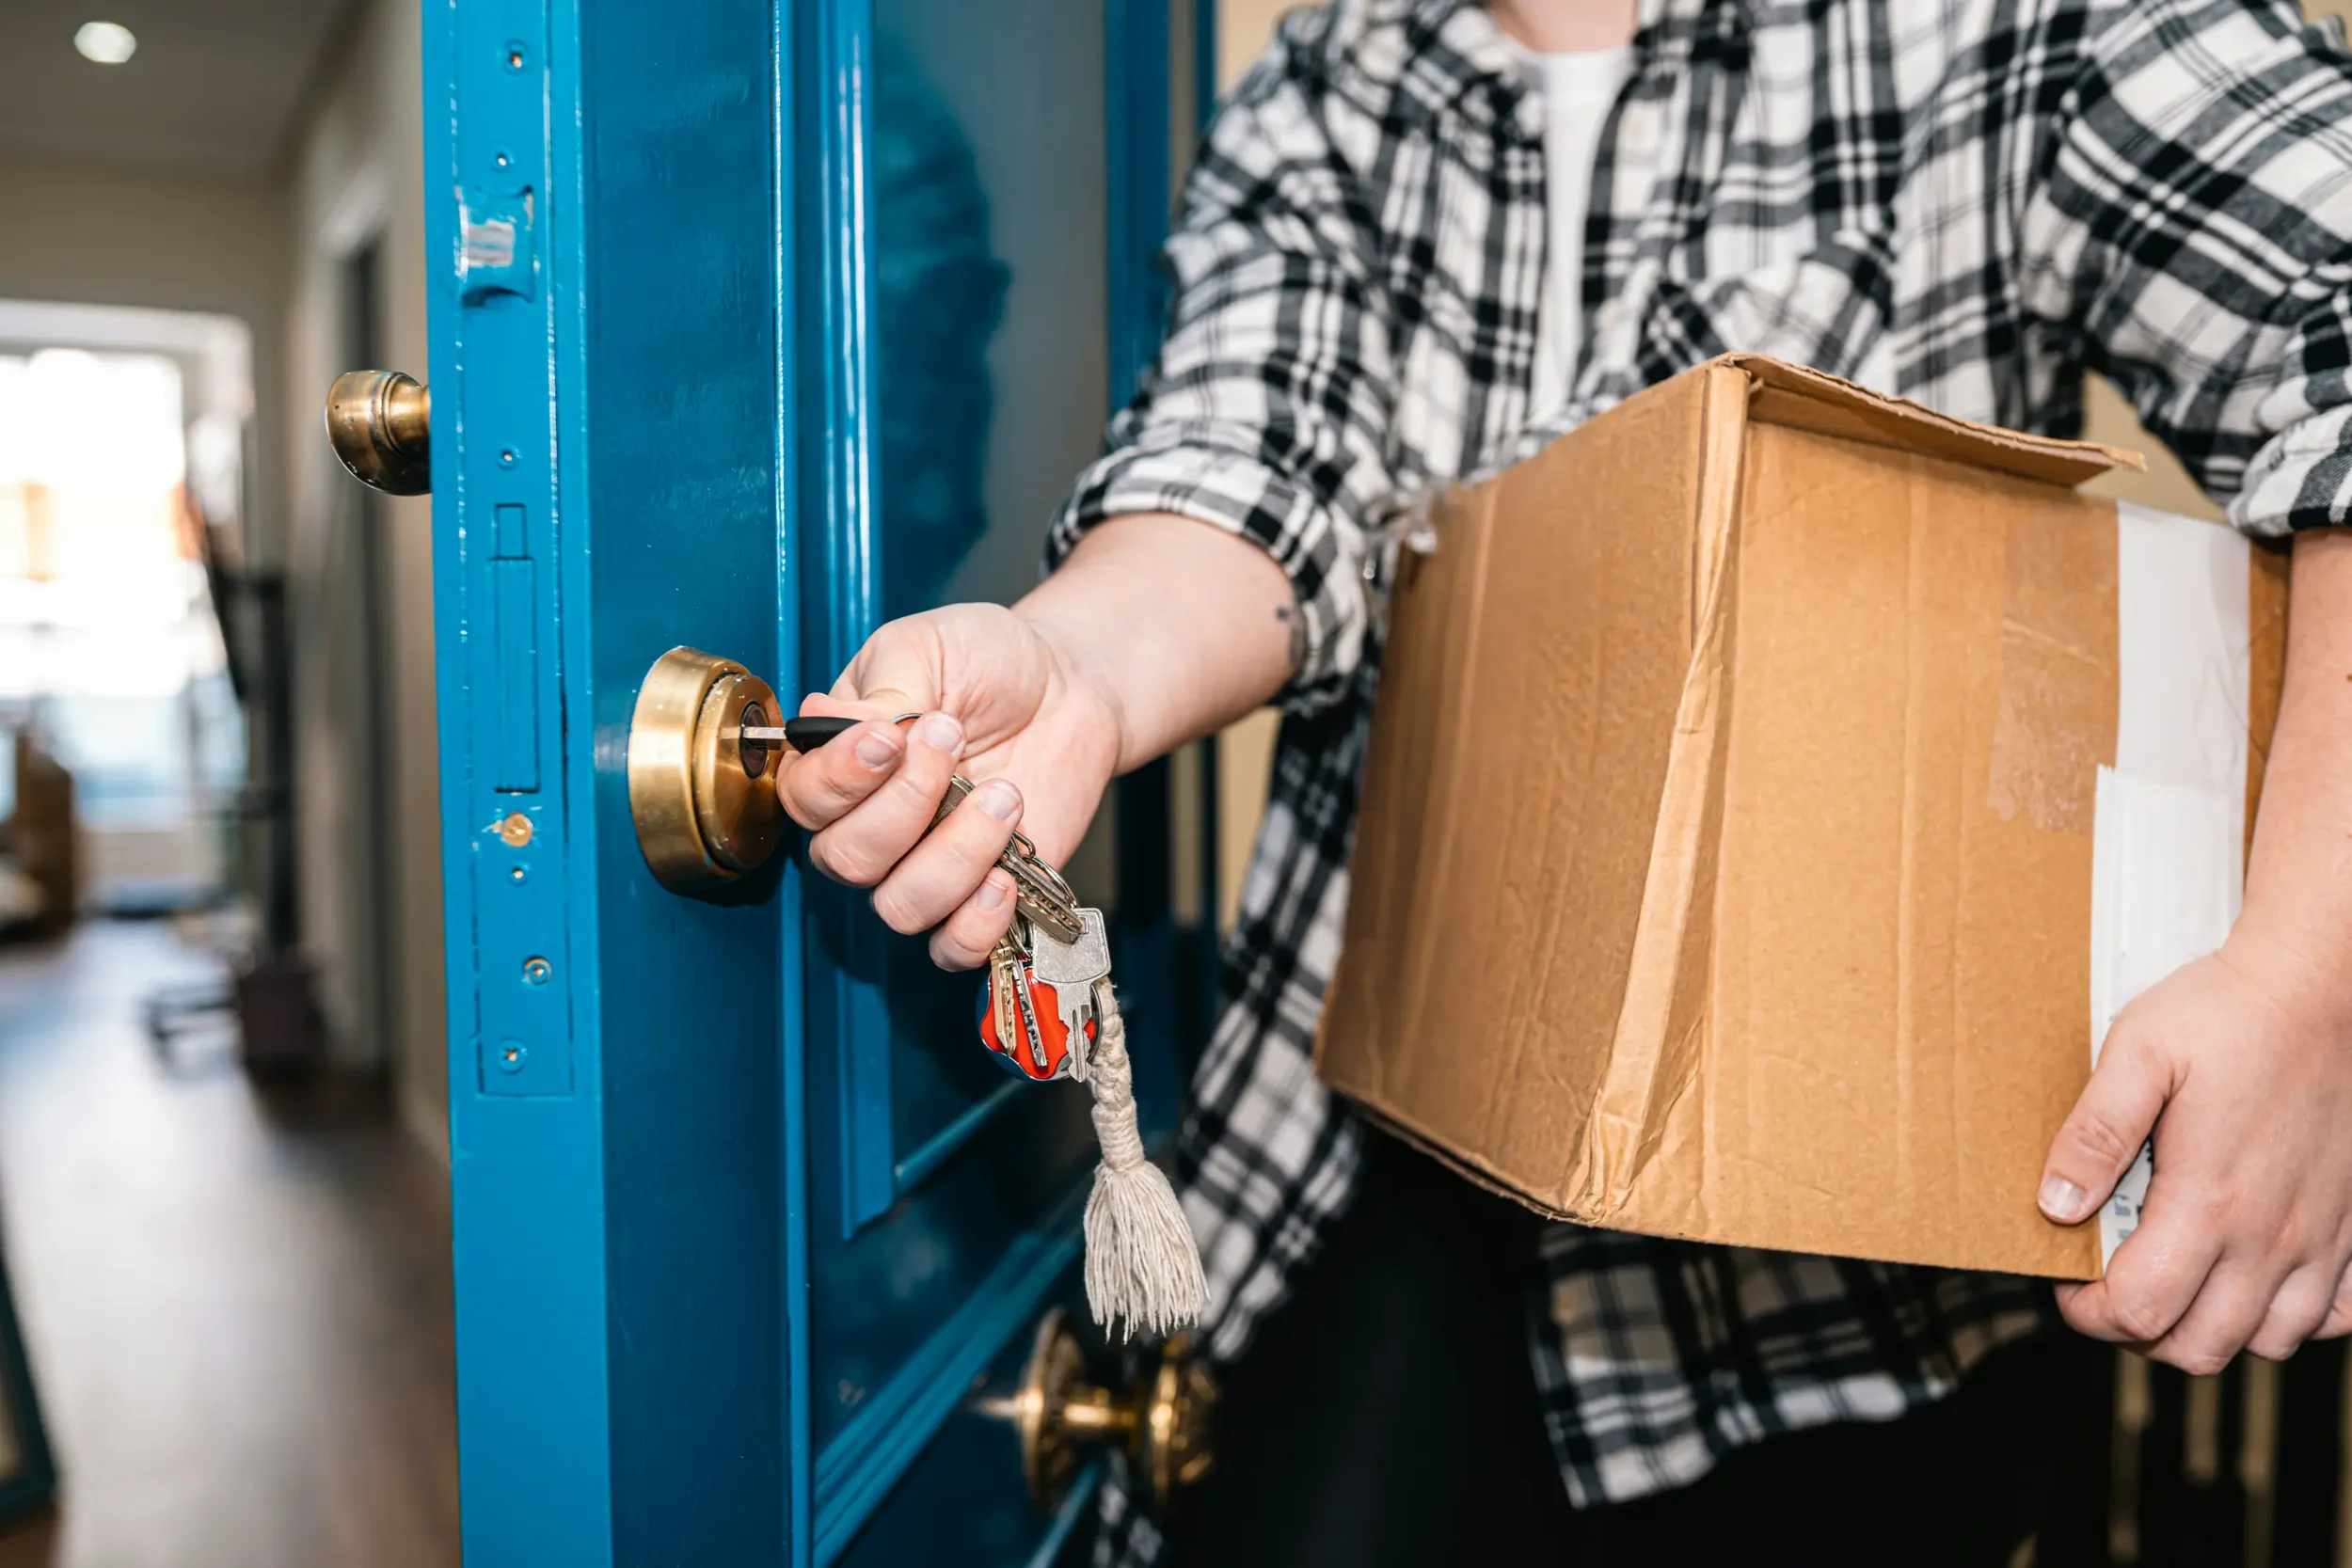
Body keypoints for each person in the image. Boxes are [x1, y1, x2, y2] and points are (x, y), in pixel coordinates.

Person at [775, 0, 2352, 1561]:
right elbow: (1253, 461)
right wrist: (1079, 671)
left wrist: (2309, 980)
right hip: (1389, 1144)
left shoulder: (2013, 26)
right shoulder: (1340, 75)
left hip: (1851, 1266)